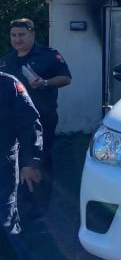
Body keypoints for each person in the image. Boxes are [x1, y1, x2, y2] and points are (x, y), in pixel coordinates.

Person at [0, 19, 71, 220]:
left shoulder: (49, 55)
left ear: (32, 34)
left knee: (38, 160)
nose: (17, 39)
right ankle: (19, 199)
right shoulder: (6, 61)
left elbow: (66, 78)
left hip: (41, 119)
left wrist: (46, 82)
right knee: (14, 159)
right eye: (13, 35)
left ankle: (38, 207)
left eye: (21, 35)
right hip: (11, 123)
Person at [0, 71, 42, 259]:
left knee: (5, 221)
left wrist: (29, 163)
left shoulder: (8, 85)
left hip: (3, 166)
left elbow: (30, 124)